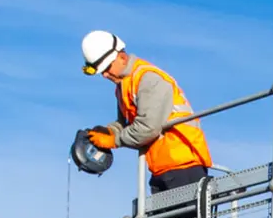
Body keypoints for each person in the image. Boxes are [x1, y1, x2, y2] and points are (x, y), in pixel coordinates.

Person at [80, 31, 214, 194]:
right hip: (162, 167)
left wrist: (114, 140)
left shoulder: (147, 79)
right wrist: (108, 131)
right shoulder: (123, 87)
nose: (105, 75)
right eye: (101, 72)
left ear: (121, 57)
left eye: (107, 68)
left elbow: (148, 128)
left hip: (184, 164)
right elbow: (125, 124)